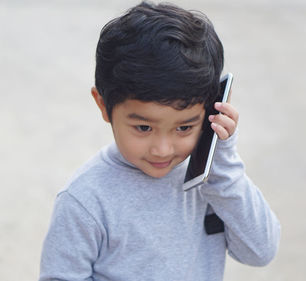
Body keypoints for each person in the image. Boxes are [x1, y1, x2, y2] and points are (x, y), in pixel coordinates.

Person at [39, 2, 280, 280]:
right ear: (103, 106)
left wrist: (223, 166)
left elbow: (260, 251)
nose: (162, 149)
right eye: (143, 127)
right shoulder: (85, 200)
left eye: (184, 128)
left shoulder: (211, 181)